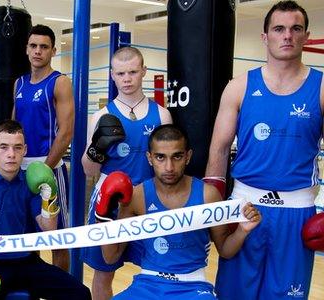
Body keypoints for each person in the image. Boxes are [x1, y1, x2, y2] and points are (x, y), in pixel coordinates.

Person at [205, 1, 322, 298]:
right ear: (265, 36)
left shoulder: (321, 88)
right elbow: (218, 150)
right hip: (244, 205)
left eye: (295, 29)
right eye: (279, 29)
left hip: (297, 214)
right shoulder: (240, 86)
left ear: (306, 36)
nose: (287, 36)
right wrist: (211, 208)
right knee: (233, 294)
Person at [101, 124, 261, 299]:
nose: (169, 167)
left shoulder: (208, 195)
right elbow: (111, 257)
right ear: (149, 158)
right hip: (147, 285)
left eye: (177, 156)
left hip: (192, 287)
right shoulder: (137, 196)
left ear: (188, 156)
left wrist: (242, 230)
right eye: (160, 157)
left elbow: (225, 250)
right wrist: (102, 215)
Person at [0, 120, 91, 299]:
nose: (11, 154)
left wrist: (50, 195)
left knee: (80, 293)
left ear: (24, 150)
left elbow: (48, 228)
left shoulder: (30, 182)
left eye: (17, 148)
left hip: (27, 263)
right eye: (4, 147)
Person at [80, 46, 172, 300]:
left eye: (133, 71)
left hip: (149, 199)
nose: (127, 79)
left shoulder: (162, 115)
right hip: (109, 200)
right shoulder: (102, 116)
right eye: (121, 73)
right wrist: (97, 149)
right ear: (112, 75)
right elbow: (89, 171)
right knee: (103, 272)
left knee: (157, 269)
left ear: (144, 71)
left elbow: (169, 167)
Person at [12, 24, 74, 271]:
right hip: (19, 169)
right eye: (33, 46)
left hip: (50, 169)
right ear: (26, 49)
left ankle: (61, 292)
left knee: (57, 239)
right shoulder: (19, 83)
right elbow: (12, 126)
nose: (38, 51)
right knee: (28, 236)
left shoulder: (59, 82)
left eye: (44, 47)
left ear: (53, 51)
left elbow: (66, 132)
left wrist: (44, 170)